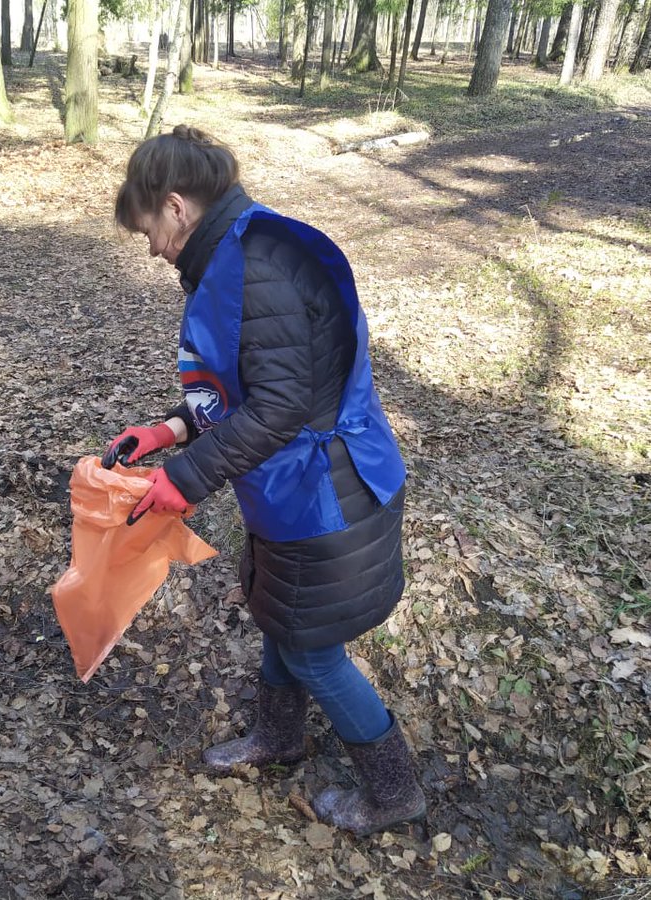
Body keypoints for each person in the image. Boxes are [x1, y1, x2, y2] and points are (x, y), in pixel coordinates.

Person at [103, 125, 425, 837]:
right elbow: (250, 391)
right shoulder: (238, 253)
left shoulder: (260, 266)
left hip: (331, 497)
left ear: (178, 206)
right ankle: (277, 739)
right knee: (285, 618)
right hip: (302, 493)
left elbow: (280, 409)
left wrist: (183, 481)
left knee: (313, 649)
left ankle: (395, 791)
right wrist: (168, 431)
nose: (152, 247)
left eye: (150, 228)